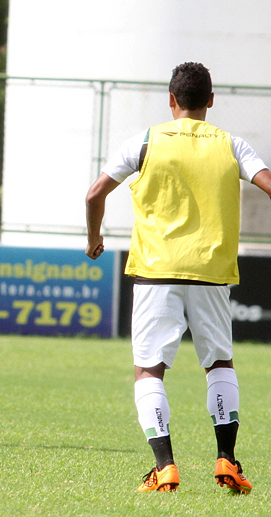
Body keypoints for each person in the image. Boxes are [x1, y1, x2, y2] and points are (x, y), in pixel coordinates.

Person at [85, 62, 271, 493]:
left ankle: (165, 466)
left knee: (149, 372)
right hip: (210, 273)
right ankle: (226, 460)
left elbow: (95, 193)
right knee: (219, 365)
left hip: (155, 272)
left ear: (171, 100)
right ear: (210, 100)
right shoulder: (231, 144)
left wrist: (94, 238)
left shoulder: (145, 142)